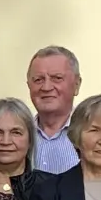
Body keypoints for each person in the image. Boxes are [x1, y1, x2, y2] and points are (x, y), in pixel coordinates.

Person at [27, 45, 84, 173]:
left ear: (77, 85)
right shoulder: (16, 137)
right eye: (38, 80)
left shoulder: (99, 135)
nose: (46, 87)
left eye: (57, 78)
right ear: (29, 86)